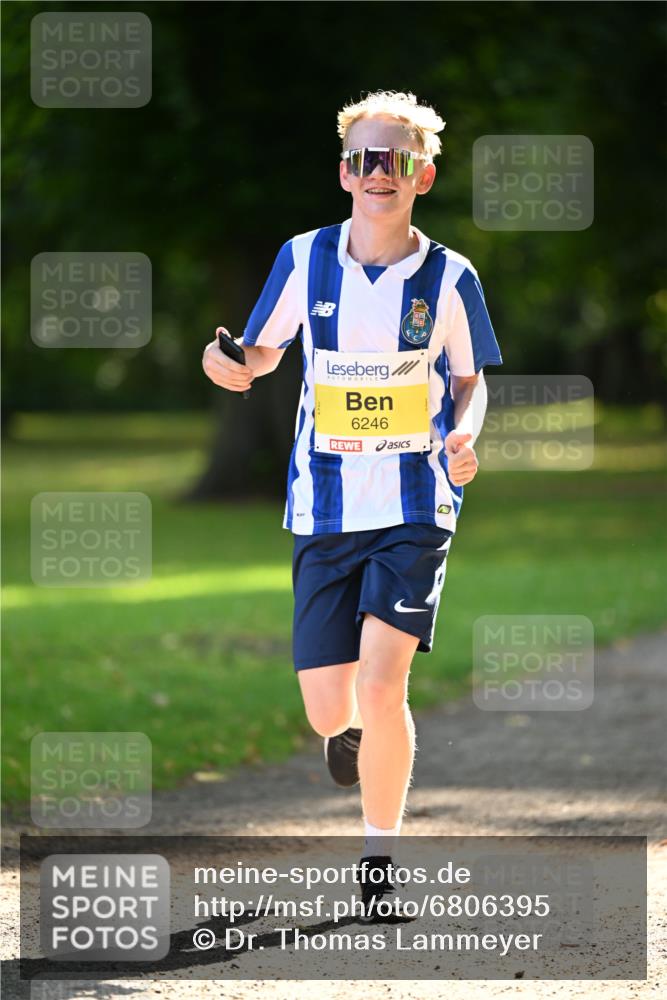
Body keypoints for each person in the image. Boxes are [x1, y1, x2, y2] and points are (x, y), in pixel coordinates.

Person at [202, 90, 502, 923]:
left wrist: (464, 434)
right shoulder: (304, 258)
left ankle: (378, 863)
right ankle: (346, 737)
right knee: (328, 707)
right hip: (325, 508)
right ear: (344, 173)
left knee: (381, 682)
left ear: (422, 176)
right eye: (365, 159)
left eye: (396, 159)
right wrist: (230, 364)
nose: (380, 172)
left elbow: (470, 380)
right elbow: (261, 351)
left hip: (415, 503)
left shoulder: (449, 276)